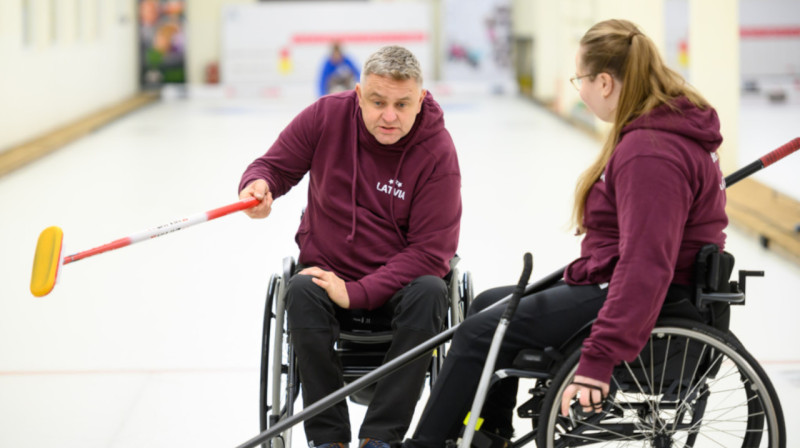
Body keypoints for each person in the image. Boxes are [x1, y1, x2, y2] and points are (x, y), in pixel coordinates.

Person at [403, 18, 728, 447]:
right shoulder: (661, 135)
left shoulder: (649, 153)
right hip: (633, 283)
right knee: (487, 304)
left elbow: (646, 266)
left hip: (648, 297)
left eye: (581, 79)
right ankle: (490, 434)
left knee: (478, 332)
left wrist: (599, 359)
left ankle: (422, 443)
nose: (581, 89)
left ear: (606, 82)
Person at [239, 45, 462, 448]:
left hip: (399, 287)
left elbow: (431, 253)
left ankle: (380, 438)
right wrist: (259, 185)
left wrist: (357, 292)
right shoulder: (326, 117)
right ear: (358, 95)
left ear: (422, 100)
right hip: (327, 277)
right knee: (302, 289)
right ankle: (329, 440)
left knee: (432, 291)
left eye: (401, 104)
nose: (389, 116)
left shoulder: (437, 152)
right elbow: (273, 166)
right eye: (377, 102)